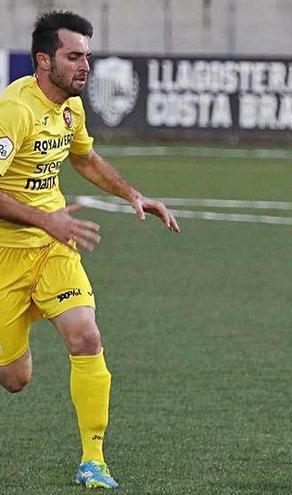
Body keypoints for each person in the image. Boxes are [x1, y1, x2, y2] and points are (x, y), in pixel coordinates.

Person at [0, 11, 180, 489]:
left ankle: (93, 462)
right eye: (73, 56)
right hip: (5, 256)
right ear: (44, 60)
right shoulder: (14, 110)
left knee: (86, 337)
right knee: (15, 380)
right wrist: (46, 219)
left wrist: (132, 194)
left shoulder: (70, 107)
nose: (85, 65)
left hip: (54, 247)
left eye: (87, 56)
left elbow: (83, 156)